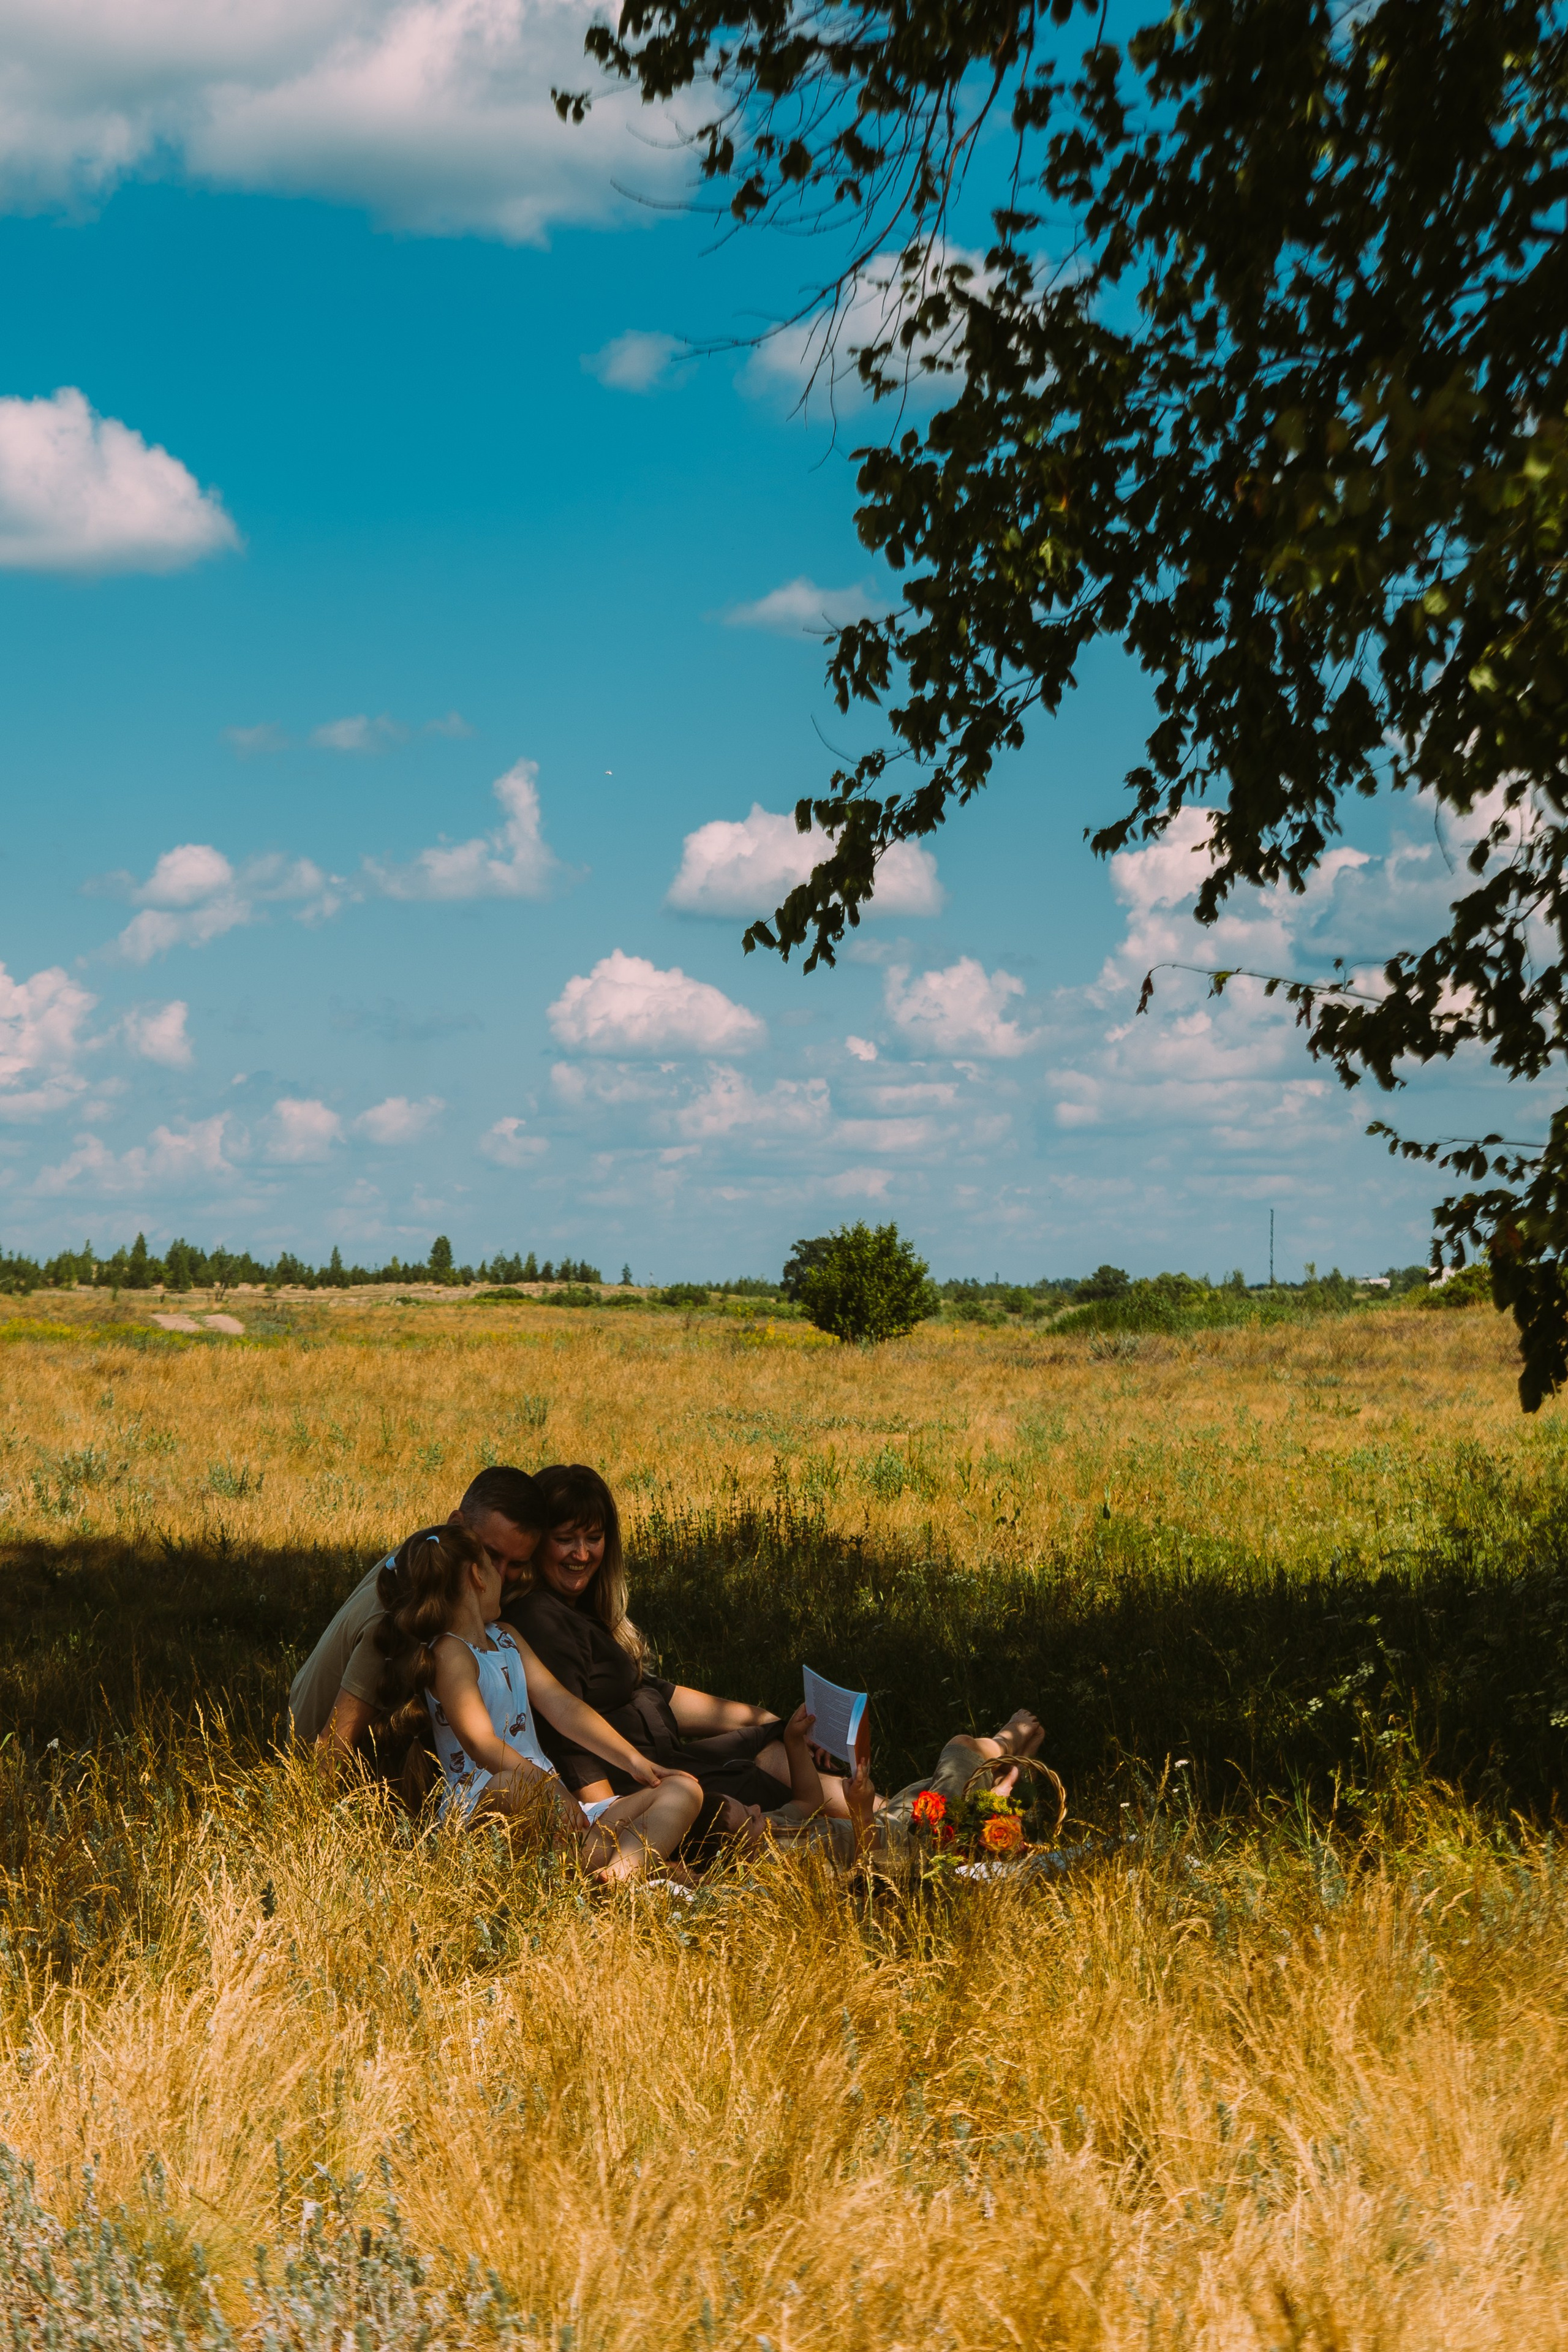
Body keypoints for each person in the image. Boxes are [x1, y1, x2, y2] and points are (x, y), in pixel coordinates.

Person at [503, 1464, 816, 1842]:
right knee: (756, 1775)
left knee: (769, 1738)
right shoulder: (541, 1618)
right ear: (538, 1542)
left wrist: (766, 1719)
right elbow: (566, 1737)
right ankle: (875, 1821)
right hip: (641, 1779)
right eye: (566, 1539)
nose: (582, 1554)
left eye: (594, 1537)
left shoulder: (580, 1607)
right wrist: (606, 1817)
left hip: (667, 1757)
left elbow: (656, 1691)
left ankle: (881, 1812)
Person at [377, 1524, 703, 1885]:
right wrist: (547, 1788)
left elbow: (563, 1707)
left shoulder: (506, 1637)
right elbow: (481, 1744)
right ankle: (634, 1870)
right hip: (489, 1807)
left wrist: (636, 1762)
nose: (505, 1575)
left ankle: (619, 1877)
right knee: (511, 1786)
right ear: (477, 1575)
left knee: (684, 1789)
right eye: (492, 1563)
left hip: (555, 1806)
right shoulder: (450, 1652)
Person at [289, 1464, 542, 1751]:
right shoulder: (411, 1613)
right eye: (490, 1555)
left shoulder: (424, 1554)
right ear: (456, 1525)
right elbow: (333, 1747)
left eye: (517, 1564)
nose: (498, 1574)